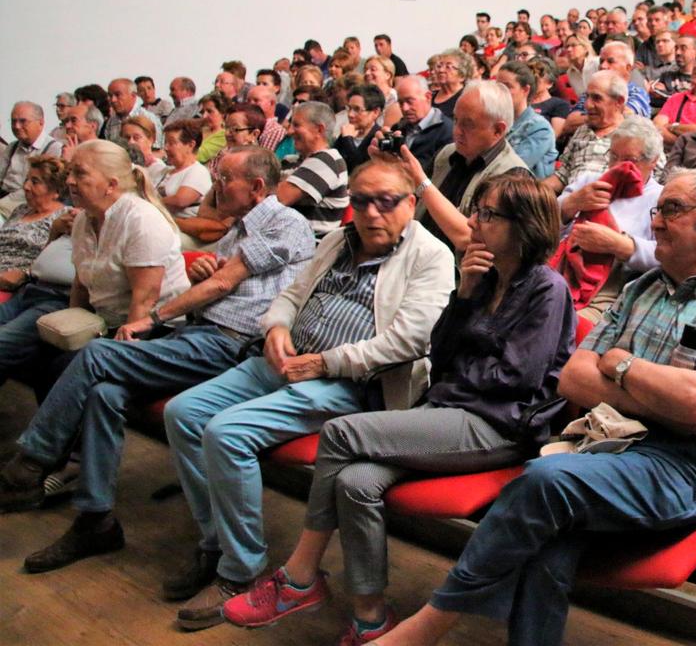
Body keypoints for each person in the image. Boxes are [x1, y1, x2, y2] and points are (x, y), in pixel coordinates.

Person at [378, 166, 696, 646]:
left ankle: (428, 625)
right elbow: (573, 379)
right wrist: (658, 392)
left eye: (671, 210)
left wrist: (622, 365)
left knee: (546, 481)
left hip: (690, 468)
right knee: (550, 543)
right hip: (605, 447)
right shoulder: (642, 289)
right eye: (657, 210)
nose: (654, 222)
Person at [220, 172, 575, 643]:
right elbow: (441, 353)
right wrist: (465, 295)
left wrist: (458, 374)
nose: (474, 221)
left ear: (523, 225)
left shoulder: (547, 289)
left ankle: (301, 575)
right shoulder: (483, 279)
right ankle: (371, 617)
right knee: (354, 480)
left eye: (488, 214)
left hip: (500, 426)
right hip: (450, 410)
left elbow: (516, 379)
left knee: (342, 432)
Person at [161, 158, 456, 631]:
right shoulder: (339, 239)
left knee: (225, 433)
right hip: (282, 361)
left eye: (386, 201)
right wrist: (276, 325)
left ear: (412, 203)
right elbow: (294, 293)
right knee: (183, 412)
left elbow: (409, 340)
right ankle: (216, 539)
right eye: (360, 201)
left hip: (347, 383)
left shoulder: (431, 255)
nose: (372, 213)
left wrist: (324, 362)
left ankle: (239, 571)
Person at [0, 148, 314, 571]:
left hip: (231, 344)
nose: (215, 187)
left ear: (257, 187)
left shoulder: (286, 222)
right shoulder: (240, 227)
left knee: (96, 355)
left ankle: (30, 463)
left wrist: (153, 317)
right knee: (105, 392)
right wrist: (204, 268)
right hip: (200, 334)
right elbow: (213, 272)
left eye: (224, 180)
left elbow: (223, 281)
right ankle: (96, 519)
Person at [0, 140, 190, 393]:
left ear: (111, 185)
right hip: (102, 321)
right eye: (70, 173)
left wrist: (117, 356)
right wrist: (67, 329)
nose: (69, 181)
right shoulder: (84, 220)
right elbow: (80, 284)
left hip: (150, 329)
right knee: (45, 356)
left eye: (80, 174)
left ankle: (51, 433)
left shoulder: (141, 219)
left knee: (57, 366)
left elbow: (143, 303)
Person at [394, 81, 528, 252]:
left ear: (498, 130)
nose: (457, 130)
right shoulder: (447, 154)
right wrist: (391, 168)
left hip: (459, 274)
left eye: (468, 124)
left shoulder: (513, 175)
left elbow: (470, 239)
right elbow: (410, 206)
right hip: (415, 255)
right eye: (456, 120)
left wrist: (422, 182)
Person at [556, 115, 664, 322]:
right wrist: (572, 203)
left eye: (629, 160)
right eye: (613, 156)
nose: (617, 166)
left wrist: (620, 245)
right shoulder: (590, 180)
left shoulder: (661, 198)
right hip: (564, 267)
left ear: (653, 161)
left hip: (616, 284)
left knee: (565, 321)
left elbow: (668, 257)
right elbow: (543, 224)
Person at [545, 71, 628, 195]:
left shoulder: (635, 135)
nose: (588, 105)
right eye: (587, 97)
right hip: (569, 203)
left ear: (618, 102)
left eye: (597, 98)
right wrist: (532, 189)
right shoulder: (582, 130)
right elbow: (562, 176)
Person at [277, 102, 350, 237]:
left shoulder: (327, 160)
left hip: (308, 249)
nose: (290, 131)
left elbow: (276, 200)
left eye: (297, 125)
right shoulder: (290, 160)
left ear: (319, 130)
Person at [0, 157, 69, 292]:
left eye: (35, 182)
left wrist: (24, 274)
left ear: (56, 191)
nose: (26, 187)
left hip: (17, 284)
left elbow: (53, 261)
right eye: (27, 179)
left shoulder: (64, 217)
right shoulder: (21, 209)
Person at [496, 61, 557, 179]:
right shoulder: (493, 120)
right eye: (498, 86)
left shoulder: (540, 128)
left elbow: (511, 170)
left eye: (507, 86)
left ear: (525, 90)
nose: (500, 91)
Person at [1, 102, 63, 200]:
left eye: (23, 121)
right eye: (13, 121)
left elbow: (46, 189)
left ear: (41, 123)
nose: (17, 126)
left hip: (26, 201)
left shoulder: (54, 149)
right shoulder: (12, 146)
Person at [157, 120, 212, 220]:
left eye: (171, 143)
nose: (166, 148)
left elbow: (180, 201)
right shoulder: (166, 171)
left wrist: (151, 201)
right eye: (165, 143)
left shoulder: (198, 171)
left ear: (190, 145)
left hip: (181, 228)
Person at [335, 85, 385, 173]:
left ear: (375, 112)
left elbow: (360, 168)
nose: (350, 114)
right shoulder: (345, 134)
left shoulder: (379, 139)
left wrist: (348, 140)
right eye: (349, 108)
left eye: (357, 109)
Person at [120, 116, 167, 186]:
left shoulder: (159, 170)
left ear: (151, 140)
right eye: (127, 138)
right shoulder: (119, 166)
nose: (131, 142)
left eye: (136, 138)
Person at [431, 50, 471, 118]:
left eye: (448, 67)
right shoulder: (431, 96)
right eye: (439, 66)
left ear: (462, 76)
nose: (441, 70)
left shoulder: (466, 98)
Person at [195, 92, 229, 165]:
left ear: (223, 112)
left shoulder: (224, 135)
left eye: (209, 111)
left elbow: (200, 155)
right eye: (202, 112)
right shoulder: (199, 130)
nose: (204, 116)